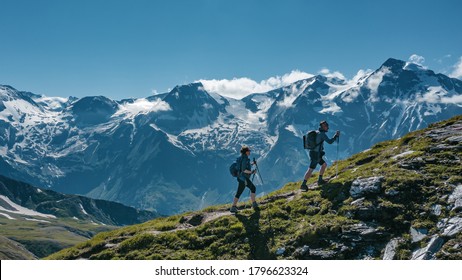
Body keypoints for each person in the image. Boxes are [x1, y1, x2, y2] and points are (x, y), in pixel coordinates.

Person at [300, 120, 340, 191]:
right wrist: (335, 136)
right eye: (326, 126)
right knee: (311, 169)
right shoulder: (322, 134)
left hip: (314, 153)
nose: (328, 127)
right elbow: (330, 142)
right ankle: (303, 184)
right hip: (316, 154)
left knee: (324, 164)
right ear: (323, 127)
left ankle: (320, 180)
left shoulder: (317, 132)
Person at [230, 146, 259, 213]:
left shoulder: (242, 158)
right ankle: (253, 204)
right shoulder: (245, 159)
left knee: (241, 191)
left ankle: (233, 207)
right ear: (246, 152)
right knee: (252, 188)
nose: (250, 152)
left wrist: (253, 163)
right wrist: (252, 172)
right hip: (243, 178)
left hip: (241, 178)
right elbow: (244, 170)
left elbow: (245, 166)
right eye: (249, 151)